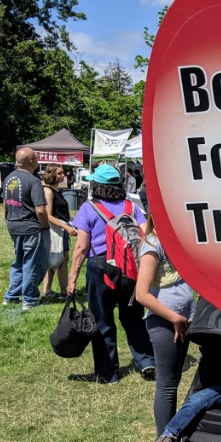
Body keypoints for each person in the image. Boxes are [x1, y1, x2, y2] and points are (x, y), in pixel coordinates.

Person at [66, 164, 155, 384]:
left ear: (96, 185)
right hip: (130, 268)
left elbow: (81, 248)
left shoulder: (88, 208)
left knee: (102, 320)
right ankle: (147, 362)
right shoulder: (131, 206)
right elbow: (145, 234)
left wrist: (72, 279)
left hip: (100, 268)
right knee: (134, 317)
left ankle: (109, 373)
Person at [135, 214, 196, 442]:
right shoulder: (153, 244)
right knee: (167, 386)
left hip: (181, 321)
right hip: (165, 323)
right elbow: (142, 294)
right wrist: (175, 318)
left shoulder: (177, 241)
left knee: (175, 381)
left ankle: (172, 434)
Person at [2, 147, 49, 310]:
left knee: (18, 262)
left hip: (13, 225)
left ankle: (12, 297)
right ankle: (29, 299)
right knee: (32, 263)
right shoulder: (33, 181)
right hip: (31, 227)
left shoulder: (8, 178)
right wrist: (45, 225)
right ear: (31, 162)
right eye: (36, 158)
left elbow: (5, 203)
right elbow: (41, 209)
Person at [41, 164, 78, 300]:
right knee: (60, 258)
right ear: (51, 174)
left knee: (57, 258)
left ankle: (48, 290)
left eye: (63, 173)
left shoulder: (56, 190)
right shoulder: (48, 191)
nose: (63, 176)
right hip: (55, 230)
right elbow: (48, 215)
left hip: (60, 229)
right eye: (60, 173)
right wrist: (66, 227)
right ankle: (63, 292)